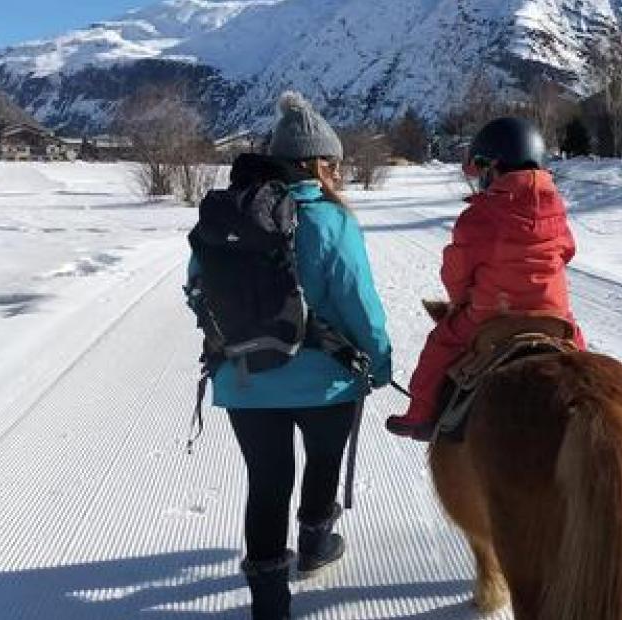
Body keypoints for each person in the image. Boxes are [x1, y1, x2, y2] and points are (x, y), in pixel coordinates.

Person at [188, 91, 392, 620]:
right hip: (325, 381)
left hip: (247, 378)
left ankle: (270, 606)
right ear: (320, 164)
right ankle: (316, 541)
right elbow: (360, 305)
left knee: (267, 482)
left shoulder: (231, 213)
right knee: (322, 461)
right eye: (336, 165)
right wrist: (380, 362)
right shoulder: (331, 222)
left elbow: (196, 287)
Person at [385, 117, 584, 441]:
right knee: (579, 355)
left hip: (492, 315)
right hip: (553, 316)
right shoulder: (557, 210)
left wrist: (460, 302)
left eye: (481, 172)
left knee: (441, 343)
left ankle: (419, 413)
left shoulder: (479, 216)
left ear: (492, 167)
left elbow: (458, 276)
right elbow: (568, 252)